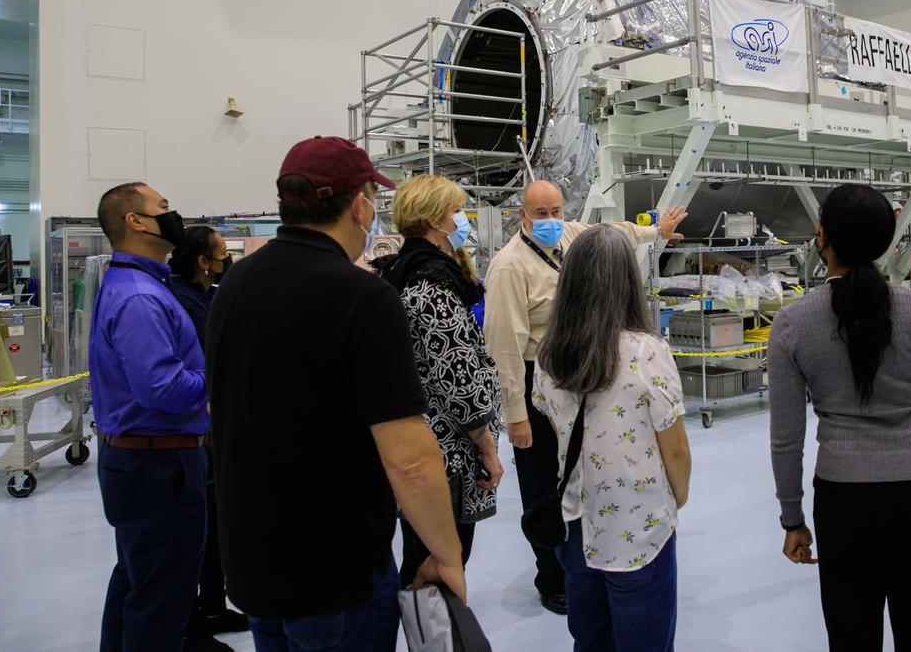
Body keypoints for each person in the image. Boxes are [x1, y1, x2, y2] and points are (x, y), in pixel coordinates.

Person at [205, 136, 467, 652]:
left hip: (254, 561)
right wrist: (446, 553)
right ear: (358, 204)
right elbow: (410, 458)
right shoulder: (363, 298)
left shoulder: (234, 286)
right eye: (372, 196)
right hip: (335, 572)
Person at [768, 183, 911, 651]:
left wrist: (792, 519)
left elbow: (786, 438)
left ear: (821, 236)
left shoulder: (793, 324)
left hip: (844, 501)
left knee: (852, 636)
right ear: (886, 241)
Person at [482, 180, 687, 613]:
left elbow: (618, 233)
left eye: (556, 210)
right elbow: (504, 348)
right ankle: (553, 576)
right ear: (522, 215)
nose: (552, 220)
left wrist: (658, 232)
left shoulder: (571, 235)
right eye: (541, 213)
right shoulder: (508, 267)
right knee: (542, 485)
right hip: (538, 378)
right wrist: (515, 415)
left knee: (579, 469)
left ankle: (588, 553)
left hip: (583, 368)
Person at [533, 225, 691, 651]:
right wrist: (675, 499)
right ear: (627, 281)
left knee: (590, 638)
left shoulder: (548, 357)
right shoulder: (647, 352)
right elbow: (674, 448)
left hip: (575, 523)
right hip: (638, 524)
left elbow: (558, 432)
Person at [90, 182, 209, 652]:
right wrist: (216, 381)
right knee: (162, 599)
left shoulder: (136, 284)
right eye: (163, 207)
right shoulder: (141, 297)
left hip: (143, 460)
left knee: (138, 583)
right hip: (159, 465)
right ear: (135, 222)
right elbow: (161, 389)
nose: (173, 214)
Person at [379, 174, 504, 589]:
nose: (461, 219)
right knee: (438, 563)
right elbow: (458, 378)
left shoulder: (403, 272)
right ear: (434, 220)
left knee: (423, 555)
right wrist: (486, 445)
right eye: (455, 211)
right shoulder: (432, 285)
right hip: (448, 450)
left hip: (422, 440)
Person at [167, 227, 248, 650]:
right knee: (194, 529)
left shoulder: (208, 293)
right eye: (222, 251)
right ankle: (187, 621)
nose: (227, 257)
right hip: (195, 424)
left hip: (217, 422)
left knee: (216, 522)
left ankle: (214, 605)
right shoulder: (176, 298)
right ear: (203, 259)